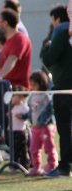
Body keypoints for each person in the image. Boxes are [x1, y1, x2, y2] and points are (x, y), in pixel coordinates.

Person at [41, 4, 72, 177]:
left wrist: (46, 45)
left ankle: (65, 165)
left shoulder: (61, 31)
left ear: (58, 19)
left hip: (64, 88)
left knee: (65, 128)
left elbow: (49, 58)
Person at [19, 71, 58, 177]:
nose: (32, 87)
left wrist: (42, 122)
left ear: (41, 83)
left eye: (34, 85)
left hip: (46, 128)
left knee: (49, 147)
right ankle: (36, 167)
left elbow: (50, 110)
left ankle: (52, 165)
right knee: (33, 148)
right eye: (31, 84)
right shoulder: (32, 96)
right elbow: (31, 110)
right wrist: (23, 116)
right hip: (35, 128)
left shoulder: (46, 96)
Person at [0, 9, 32, 89]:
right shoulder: (7, 41)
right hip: (5, 89)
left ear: (5, 23)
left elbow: (12, 59)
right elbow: (0, 64)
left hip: (17, 91)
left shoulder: (20, 39)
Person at [10, 89, 30, 171]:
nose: (12, 99)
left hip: (20, 131)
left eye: (14, 96)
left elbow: (28, 116)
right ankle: (14, 165)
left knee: (22, 150)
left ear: (21, 97)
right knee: (14, 149)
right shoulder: (13, 107)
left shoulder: (24, 107)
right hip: (13, 131)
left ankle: (24, 166)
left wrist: (22, 117)